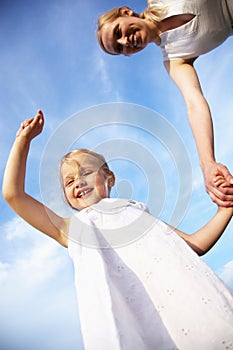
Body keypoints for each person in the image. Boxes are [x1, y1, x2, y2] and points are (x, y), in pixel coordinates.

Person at [2, 110, 233, 350]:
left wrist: (225, 209)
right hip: (135, 329)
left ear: (109, 178)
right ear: (68, 198)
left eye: (86, 172)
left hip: (188, 308)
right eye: (69, 181)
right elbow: (13, 194)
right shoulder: (72, 228)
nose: (78, 182)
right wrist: (23, 141)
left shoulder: (137, 212)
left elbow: (194, 245)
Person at [97, 0, 233, 207]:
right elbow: (194, 103)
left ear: (126, 12)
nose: (125, 42)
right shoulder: (174, 59)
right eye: (119, 48)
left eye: (118, 32)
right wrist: (207, 164)